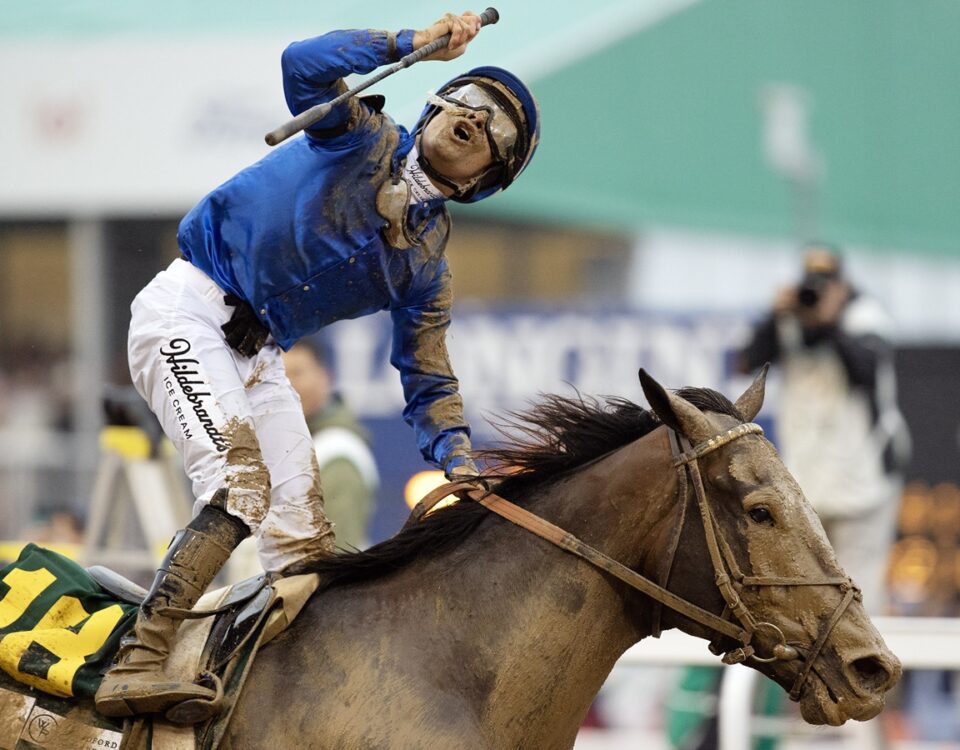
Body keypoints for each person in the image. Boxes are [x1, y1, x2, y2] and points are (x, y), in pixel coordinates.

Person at [95, 10, 540, 721]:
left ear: (486, 178)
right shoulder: (361, 132)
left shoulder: (427, 268)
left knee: (305, 547)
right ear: (435, 103)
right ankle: (136, 663)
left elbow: (427, 378)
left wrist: (460, 461)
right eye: (469, 100)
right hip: (186, 310)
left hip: (259, 352)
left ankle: (282, 701)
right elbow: (301, 63)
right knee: (241, 488)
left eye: (496, 130)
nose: (475, 119)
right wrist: (408, 44)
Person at [736, 243, 910, 614]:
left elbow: (866, 372)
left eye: (826, 282)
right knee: (804, 590)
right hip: (807, 482)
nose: (817, 292)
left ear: (842, 285)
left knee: (860, 593)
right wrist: (774, 314)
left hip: (864, 480)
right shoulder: (791, 318)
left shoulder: (865, 314)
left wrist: (830, 323)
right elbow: (745, 361)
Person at [282, 341, 378, 550]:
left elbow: (338, 554)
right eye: (277, 375)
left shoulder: (336, 452)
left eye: (296, 373)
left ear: (324, 378)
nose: (286, 385)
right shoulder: (279, 444)